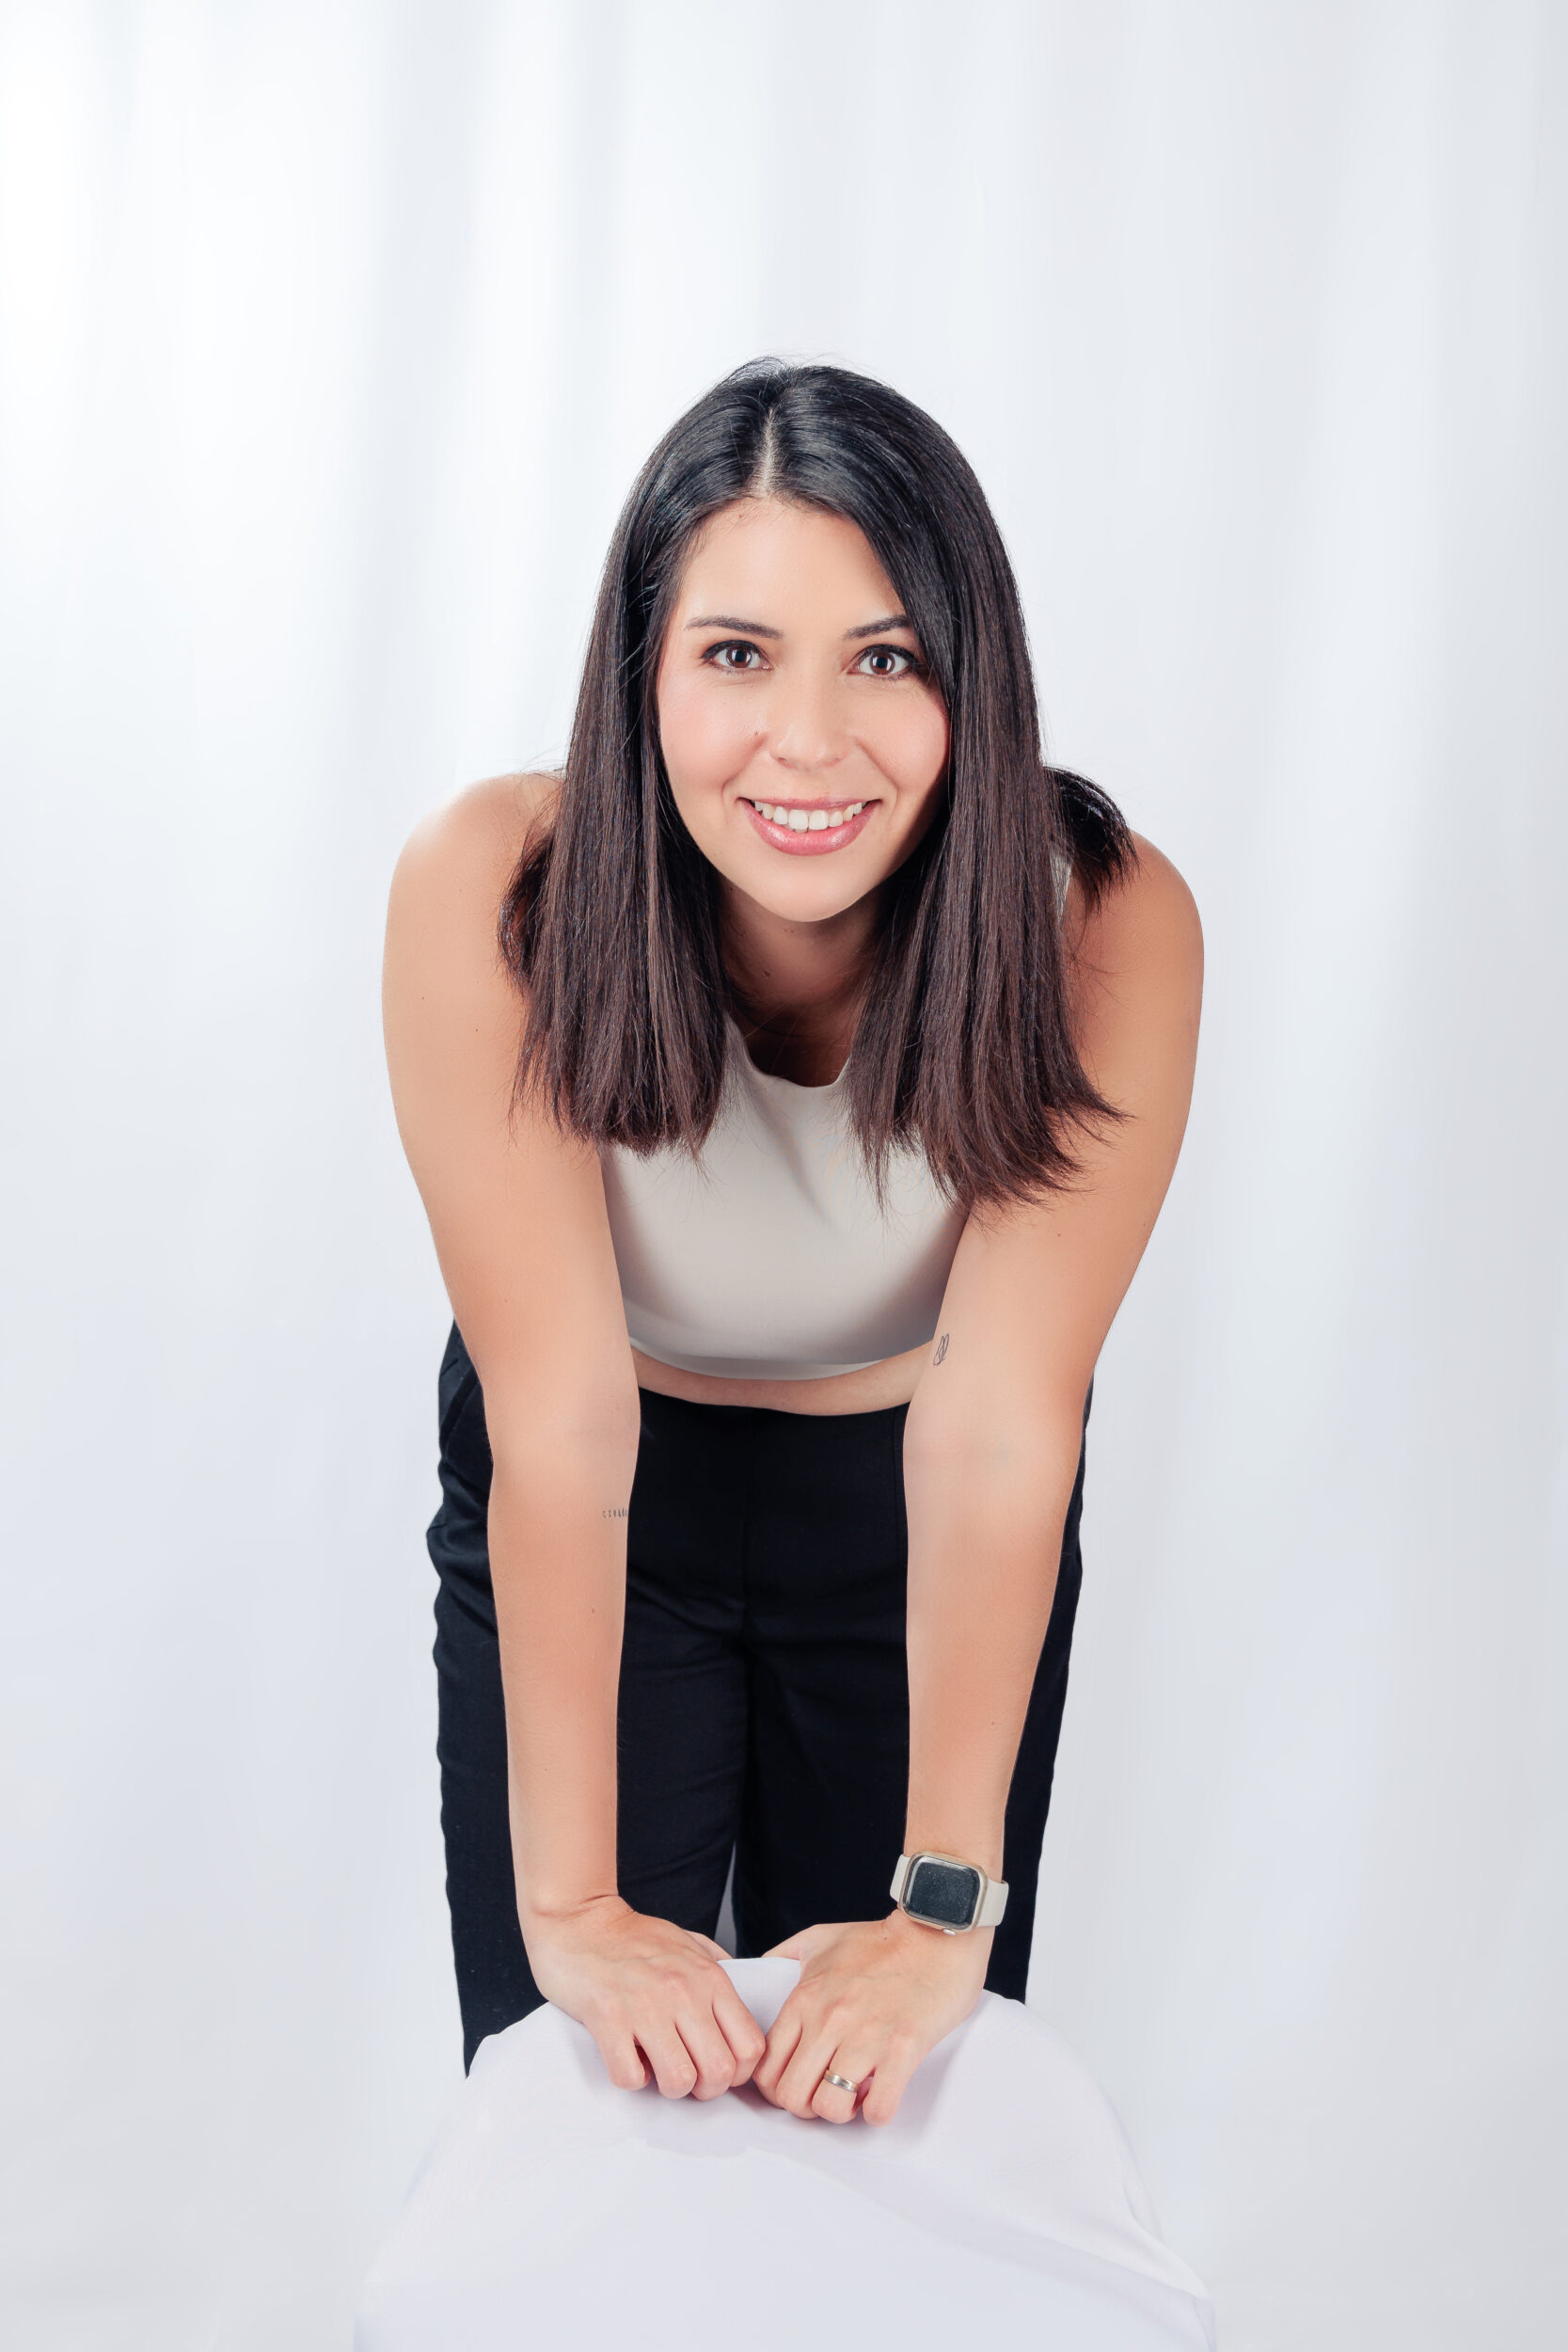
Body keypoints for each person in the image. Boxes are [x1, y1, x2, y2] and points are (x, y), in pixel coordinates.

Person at [381, 358, 1202, 2127]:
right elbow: (561, 1422)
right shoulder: (493, 887)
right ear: (645, 674)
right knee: (582, 2105)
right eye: (738, 654)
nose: (810, 741)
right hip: (605, 1510)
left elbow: (1001, 1428)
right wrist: (569, 1913)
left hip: (916, 1522)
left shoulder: (1102, 919)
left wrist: (942, 1911)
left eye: (885, 659)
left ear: (973, 678)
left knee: (887, 2105)